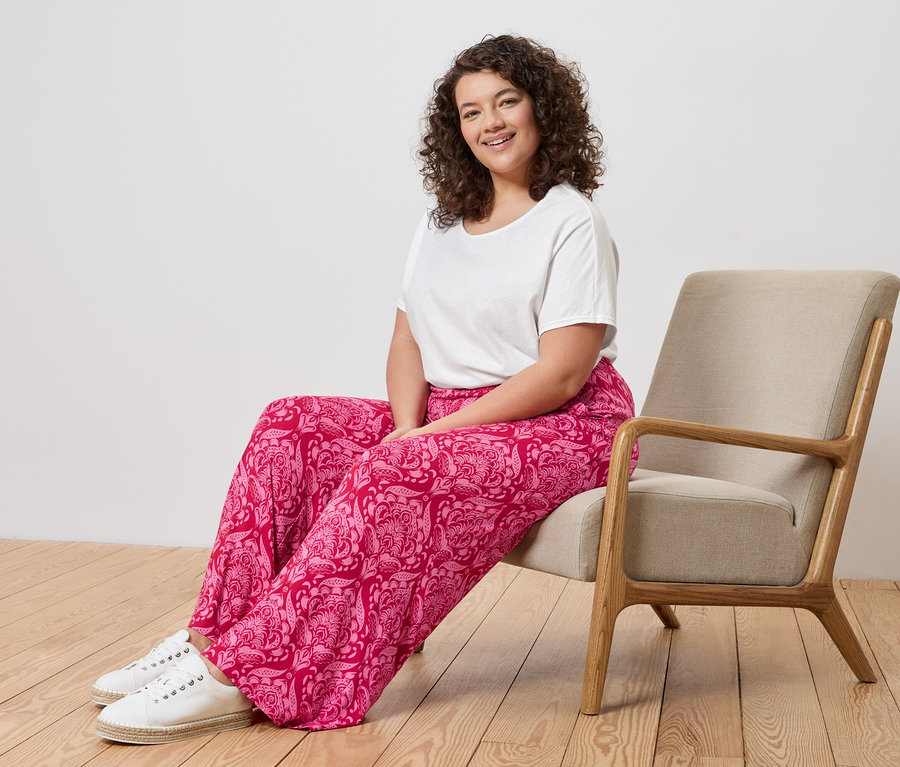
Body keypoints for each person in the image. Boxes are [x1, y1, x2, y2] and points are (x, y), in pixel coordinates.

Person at [92, 34, 639, 744]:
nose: (491, 122)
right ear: (456, 129)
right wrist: (408, 422)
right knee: (291, 423)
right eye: (472, 111)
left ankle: (250, 674)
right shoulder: (442, 219)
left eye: (508, 100)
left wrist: (425, 439)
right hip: (453, 411)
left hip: (569, 423)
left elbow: (561, 372)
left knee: (394, 465)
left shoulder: (572, 221)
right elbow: (409, 335)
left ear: (543, 110)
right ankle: (213, 634)